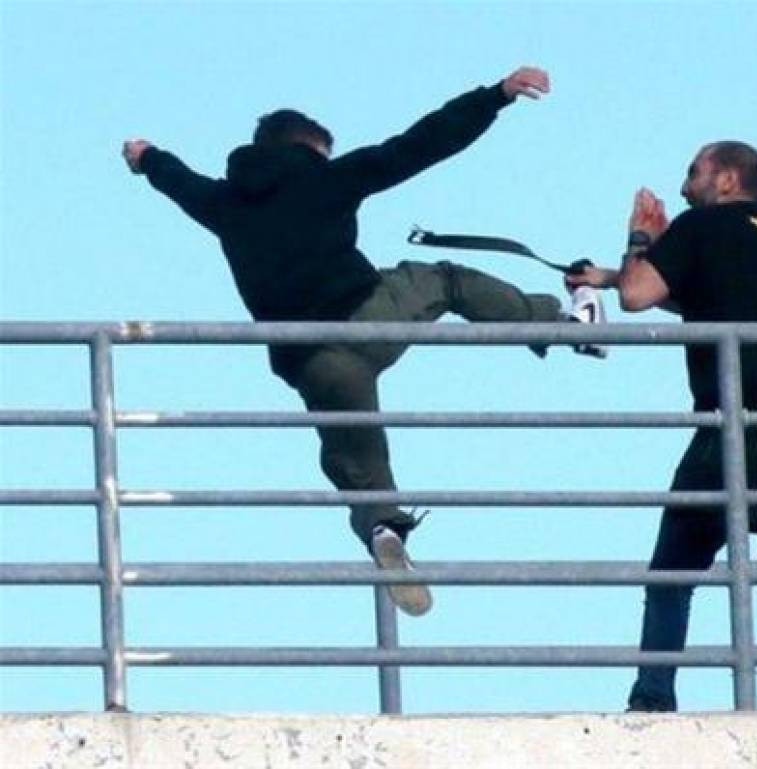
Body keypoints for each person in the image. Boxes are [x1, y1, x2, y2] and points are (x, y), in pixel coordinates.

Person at [122, 66, 605, 617]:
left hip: (311, 360)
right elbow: (420, 144)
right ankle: (563, 324)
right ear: (311, 148)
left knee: (355, 454)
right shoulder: (327, 176)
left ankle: (381, 526)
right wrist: (494, 97)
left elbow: (176, 178)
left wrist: (146, 156)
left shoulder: (222, 202)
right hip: (368, 316)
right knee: (446, 281)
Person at [567, 141, 757, 710]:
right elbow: (713, 294)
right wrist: (610, 276)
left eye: (694, 172)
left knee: (673, 572)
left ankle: (652, 701)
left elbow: (641, 296)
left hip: (741, 425)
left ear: (726, 180)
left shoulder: (697, 227)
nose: (683, 184)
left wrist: (642, 240)